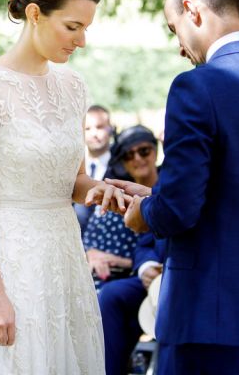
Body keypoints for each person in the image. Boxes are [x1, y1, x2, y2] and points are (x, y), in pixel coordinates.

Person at [91, 0, 239, 374]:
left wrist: (145, 213)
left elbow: (178, 209)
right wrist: (158, 195)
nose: (179, 45)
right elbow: (237, 192)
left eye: (175, 29)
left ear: (193, 9)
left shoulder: (197, 85)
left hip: (209, 316)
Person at [0, 0, 121, 373]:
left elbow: (73, 181)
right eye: (72, 26)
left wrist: (100, 189)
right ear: (33, 14)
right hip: (9, 264)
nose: (81, 41)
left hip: (64, 260)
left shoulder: (74, 86)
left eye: (86, 29)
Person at [92, 125, 161, 375]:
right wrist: (147, 267)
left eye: (143, 151)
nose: (138, 159)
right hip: (145, 277)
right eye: (129, 155)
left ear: (154, 151)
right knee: (111, 295)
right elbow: (143, 244)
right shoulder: (120, 193)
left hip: (179, 268)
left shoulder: (172, 182)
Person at [75, 104, 117, 233]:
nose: (94, 134)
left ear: (111, 128)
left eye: (99, 127)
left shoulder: (122, 165)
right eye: (87, 129)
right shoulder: (74, 164)